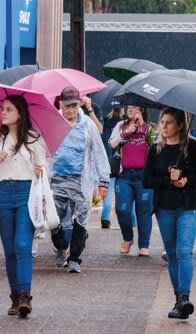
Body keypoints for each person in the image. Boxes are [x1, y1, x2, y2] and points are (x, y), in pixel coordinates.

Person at [0, 94, 47, 318]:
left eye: (9, 109)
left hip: (26, 193)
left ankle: (26, 296)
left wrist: (39, 170)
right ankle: (15, 296)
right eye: (3, 109)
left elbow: (44, 168)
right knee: (9, 250)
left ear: (20, 113)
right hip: (2, 194)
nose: (3, 112)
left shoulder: (35, 138)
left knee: (22, 245)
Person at [143, 107, 196, 319]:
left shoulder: (194, 147)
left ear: (180, 125)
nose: (163, 126)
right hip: (164, 208)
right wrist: (167, 180)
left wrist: (185, 180)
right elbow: (147, 180)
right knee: (172, 255)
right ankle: (178, 300)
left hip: (187, 207)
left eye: (169, 122)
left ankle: (184, 297)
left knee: (184, 252)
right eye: (162, 122)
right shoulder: (155, 150)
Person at [50, 86, 110, 273]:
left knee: (80, 221)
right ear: (61, 104)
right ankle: (60, 247)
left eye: (74, 106)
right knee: (54, 220)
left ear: (79, 104)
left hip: (80, 181)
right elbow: (43, 150)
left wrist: (104, 180)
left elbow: (99, 151)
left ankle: (75, 258)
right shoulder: (53, 122)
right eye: (67, 106)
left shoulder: (87, 125)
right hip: (57, 180)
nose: (71, 110)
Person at [109, 105, 156, 256]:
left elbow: (156, 145)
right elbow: (111, 144)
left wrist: (142, 126)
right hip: (125, 176)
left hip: (144, 177)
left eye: (135, 107)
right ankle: (128, 238)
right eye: (129, 107)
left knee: (144, 212)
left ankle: (144, 245)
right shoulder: (120, 126)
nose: (130, 110)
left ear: (141, 110)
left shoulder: (149, 128)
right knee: (122, 209)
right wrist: (126, 133)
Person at [100, 107, 126, 229]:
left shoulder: (105, 121)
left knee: (107, 191)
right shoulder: (124, 124)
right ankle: (132, 221)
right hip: (120, 162)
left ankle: (105, 217)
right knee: (124, 195)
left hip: (106, 162)